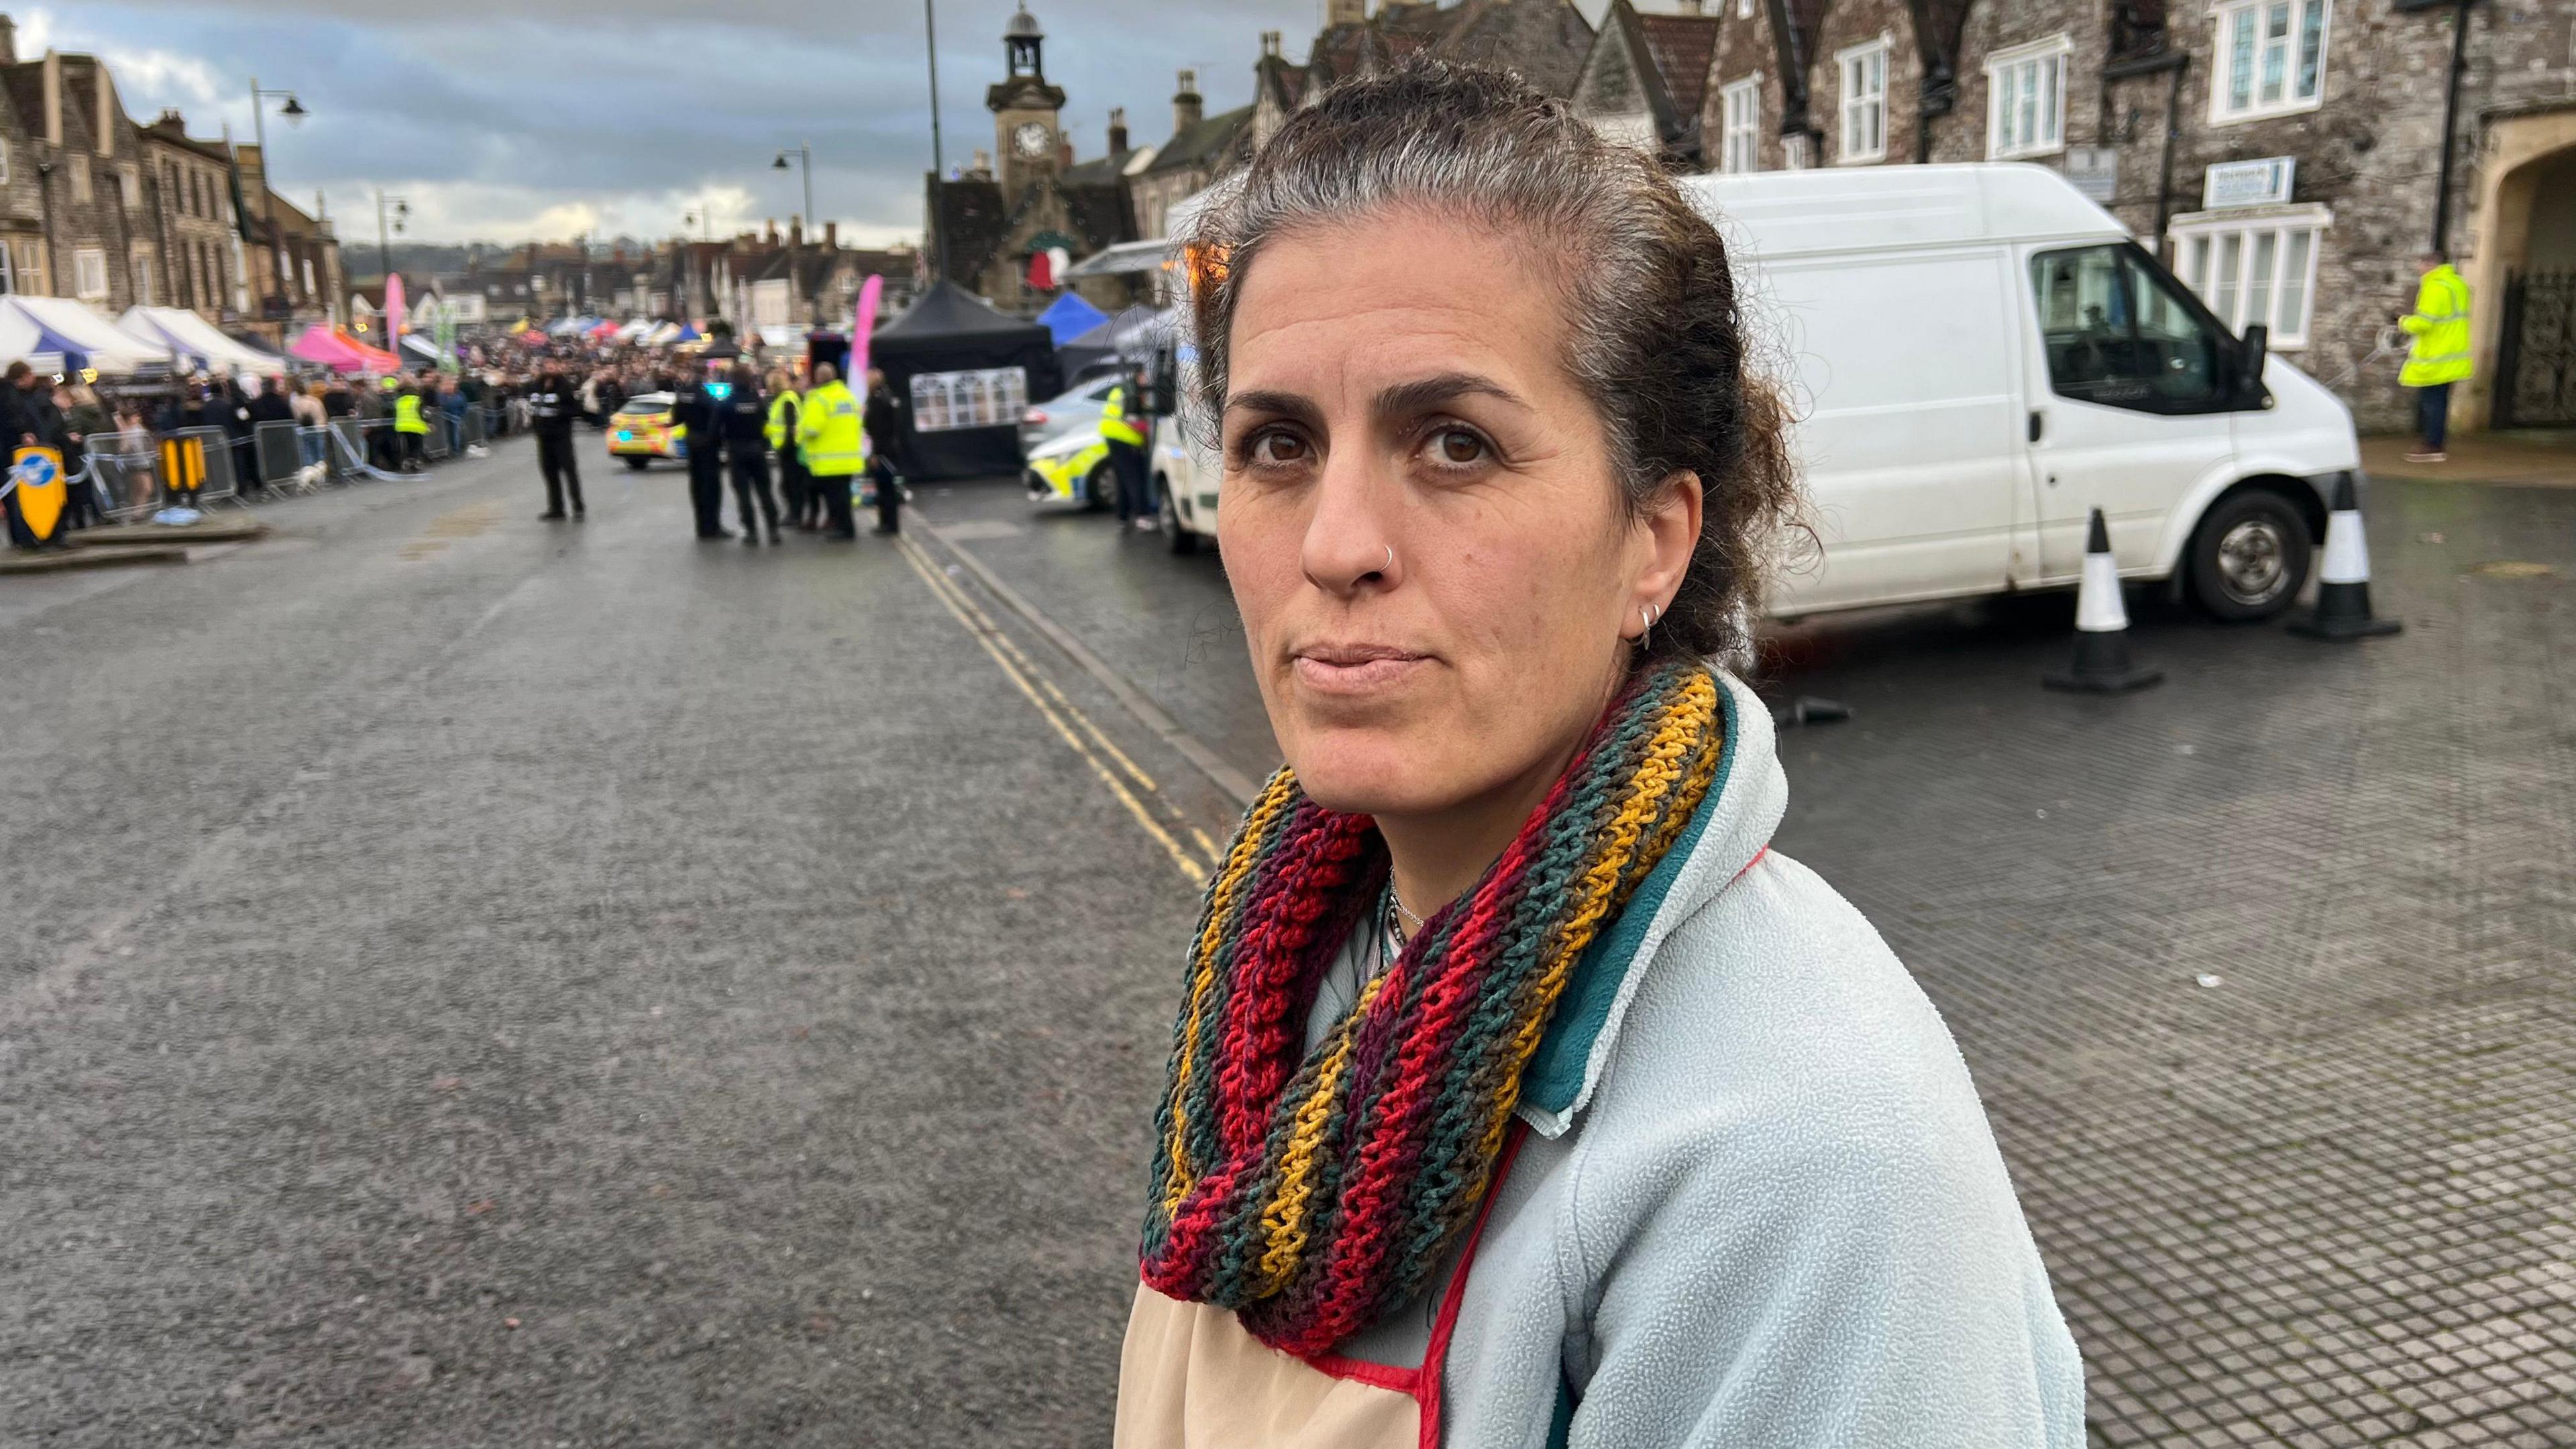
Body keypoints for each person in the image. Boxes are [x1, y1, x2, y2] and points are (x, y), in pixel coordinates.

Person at [1116, 61, 2084, 1448]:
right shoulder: (1285, 963)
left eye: (1453, 442)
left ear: (1655, 540)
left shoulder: (1805, 1163)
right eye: (1277, 442)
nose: (1332, 545)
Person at [2399, 250, 2471, 464]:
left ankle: (2432, 446)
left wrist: (2402, 322)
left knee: (2431, 403)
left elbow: (2425, 323)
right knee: (2440, 401)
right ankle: (2435, 443)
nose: (2419, 270)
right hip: (2454, 355)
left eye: (2421, 265)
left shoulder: (2434, 286)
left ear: (2431, 265)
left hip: (2436, 356)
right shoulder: (2458, 285)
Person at [797, 362, 863, 541]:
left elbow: (812, 429)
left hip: (828, 460)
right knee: (844, 497)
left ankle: (844, 530)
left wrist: (799, 432)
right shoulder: (848, 396)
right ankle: (846, 528)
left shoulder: (818, 399)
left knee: (835, 499)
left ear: (818, 378)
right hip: (849, 457)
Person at [720, 362, 781, 545]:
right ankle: (773, 530)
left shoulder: (727, 402)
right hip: (757, 450)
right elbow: (766, 423)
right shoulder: (756, 400)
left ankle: (752, 532)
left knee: (743, 494)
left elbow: (719, 428)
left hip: (737, 451)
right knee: (765, 492)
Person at [669, 364, 731, 539]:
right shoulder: (706, 396)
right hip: (707, 445)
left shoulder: (683, 394)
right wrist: (713, 439)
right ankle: (713, 526)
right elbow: (715, 419)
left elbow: (676, 418)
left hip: (692, 442)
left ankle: (701, 526)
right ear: (706, 375)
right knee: (711, 487)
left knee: (696, 486)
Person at [528, 362, 587, 521]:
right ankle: (556, 508)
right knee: (550, 473)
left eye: (552, 367)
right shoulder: (536, 387)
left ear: (558, 369)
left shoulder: (564, 387)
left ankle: (578, 505)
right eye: (547, 367)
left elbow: (576, 410)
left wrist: (559, 412)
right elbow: (533, 409)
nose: (549, 370)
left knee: (569, 471)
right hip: (544, 438)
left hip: (561, 437)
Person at [1099, 362, 1151, 530]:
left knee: (1122, 478)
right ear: (1138, 375)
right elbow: (1132, 419)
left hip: (1112, 437)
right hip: (1125, 439)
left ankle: (1123, 516)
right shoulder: (1131, 391)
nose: (1146, 379)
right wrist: (1147, 430)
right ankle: (1142, 517)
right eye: (1144, 375)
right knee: (1135, 478)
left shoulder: (1120, 388)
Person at [861, 366, 911, 536]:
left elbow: (878, 430)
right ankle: (889, 523)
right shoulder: (889, 395)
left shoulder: (877, 400)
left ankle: (888, 525)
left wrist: (875, 454)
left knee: (885, 489)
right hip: (890, 449)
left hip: (883, 451)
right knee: (886, 488)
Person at [766, 370, 810, 529]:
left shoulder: (786, 400)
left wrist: (784, 446)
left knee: (791, 485)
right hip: (789, 448)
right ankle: (794, 514)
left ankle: (795, 515)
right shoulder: (786, 398)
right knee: (790, 484)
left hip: (790, 449)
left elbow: (790, 426)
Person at [392, 377, 431, 472]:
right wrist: (428, 422)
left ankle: (407, 461)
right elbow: (424, 412)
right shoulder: (417, 398)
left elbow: (395, 412)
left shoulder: (399, 399)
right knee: (417, 445)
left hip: (402, 426)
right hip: (415, 425)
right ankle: (415, 461)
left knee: (407, 445)